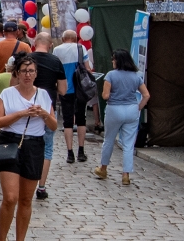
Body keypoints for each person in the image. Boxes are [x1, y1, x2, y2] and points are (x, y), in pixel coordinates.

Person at [0, 54, 57, 241]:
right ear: (16, 73)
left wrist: (44, 115)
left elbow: (54, 126)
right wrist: (21, 114)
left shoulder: (44, 95)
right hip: (10, 143)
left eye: (32, 71)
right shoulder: (8, 94)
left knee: (27, 198)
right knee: (11, 197)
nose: (28, 75)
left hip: (34, 145)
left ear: (36, 74)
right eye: (24, 71)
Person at [94, 49, 150, 186]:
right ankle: (126, 175)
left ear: (118, 60)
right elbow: (146, 95)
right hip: (131, 109)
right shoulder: (136, 76)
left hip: (114, 109)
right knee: (128, 144)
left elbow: (105, 96)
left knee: (109, 140)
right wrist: (138, 107)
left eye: (113, 59)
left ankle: (103, 168)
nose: (112, 61)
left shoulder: (111, 75)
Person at [29, 33, 68, 200]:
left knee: (26, 144)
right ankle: (41, 187)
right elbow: (63, 90)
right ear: (50, 45)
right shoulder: (55, 61)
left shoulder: (27, 59)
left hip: (27, 107)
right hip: (48, 108)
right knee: (47, 147)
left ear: (35, 43)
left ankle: (26, 182)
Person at [53, 30, 92, 164]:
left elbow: (56, 69)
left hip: (65, 88)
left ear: (63, 39)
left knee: (67, 121)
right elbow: (87, 68)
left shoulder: (57, 50)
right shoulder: (81, 48)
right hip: (80, 88)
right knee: (81, 119)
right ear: (75, 38)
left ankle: (70, 153)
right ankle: (81, 150)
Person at [0, 22, 30, 95]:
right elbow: (30, 65)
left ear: (4, 32)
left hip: (1, 83)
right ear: (17, 31)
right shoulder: (25, 46)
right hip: (20, 84)